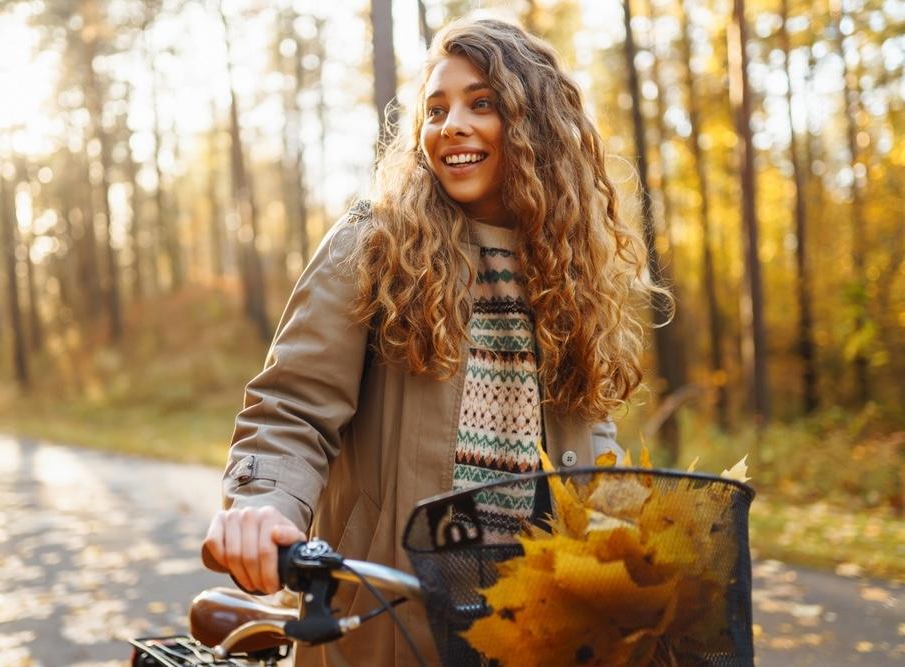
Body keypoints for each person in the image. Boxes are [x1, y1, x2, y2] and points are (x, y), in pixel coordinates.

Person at [202, 15, 663, 667]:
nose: (452, 125)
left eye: (482, 103)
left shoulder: (571, 276)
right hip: (390, 621)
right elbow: (291, 411)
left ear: (537, 126)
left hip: (531, 629)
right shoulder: (375, 248)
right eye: (436, 109)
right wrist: (260, 504)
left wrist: (633, 531)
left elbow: (593, 436)